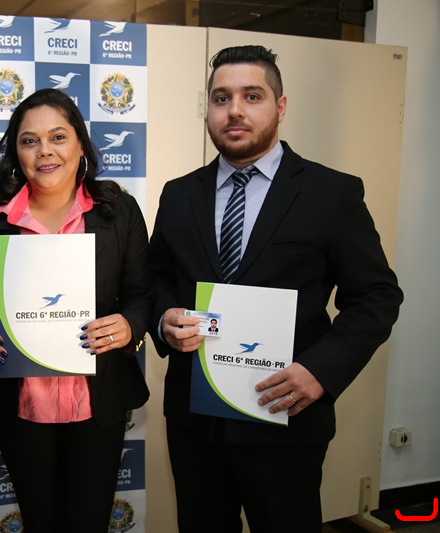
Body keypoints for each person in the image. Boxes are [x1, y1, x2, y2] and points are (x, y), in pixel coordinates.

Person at [148, 45, 402, 533]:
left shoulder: (332, 193)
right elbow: (157, 276)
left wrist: (321, 371)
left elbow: (376, 296)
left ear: (280, 106)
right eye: (221, 98)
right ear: (208, 109)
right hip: (194, 419)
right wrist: (163, 319)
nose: (235, 110)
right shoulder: (180, 193)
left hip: (285, 415)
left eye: (252, 96)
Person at [0, 88, 152, 532]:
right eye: (30, 141)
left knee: (88, 521)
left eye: (58, 137)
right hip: (20, 400)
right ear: (16, 153)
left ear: (80, 145)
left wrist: (129, 325)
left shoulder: (118, 211)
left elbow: (142, 296)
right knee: (40, 520)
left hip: (97, 400)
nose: (45, 150)